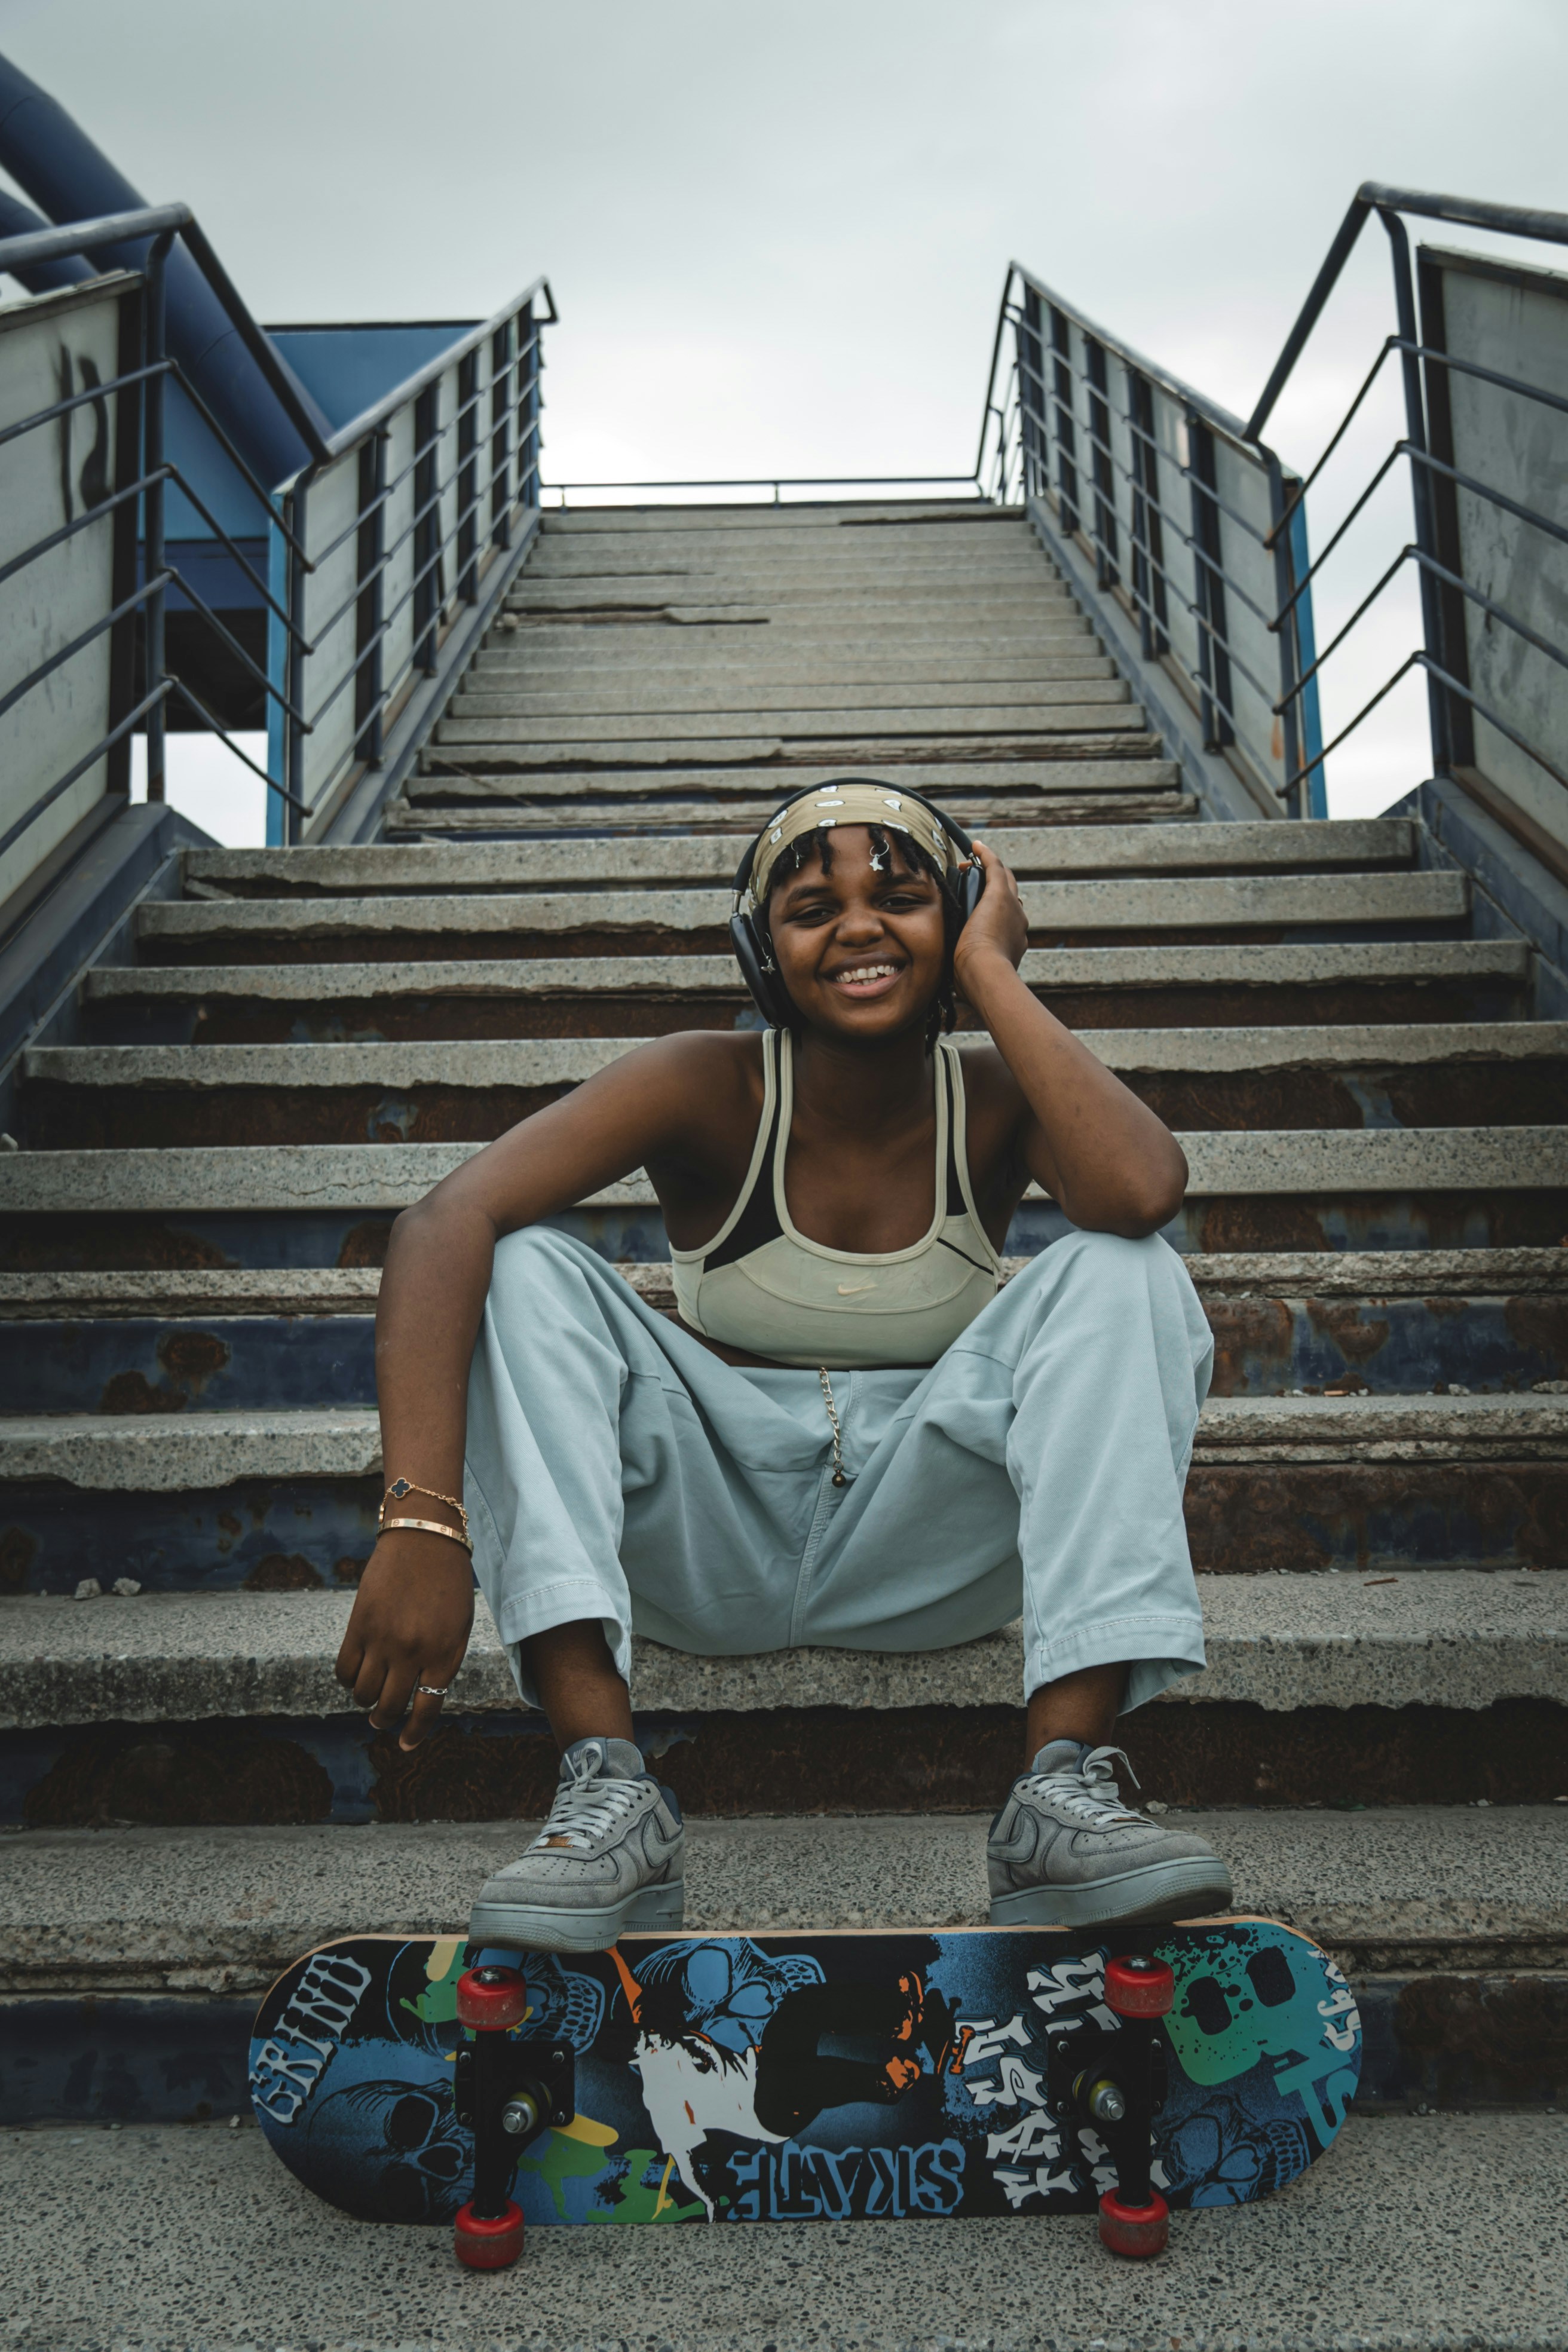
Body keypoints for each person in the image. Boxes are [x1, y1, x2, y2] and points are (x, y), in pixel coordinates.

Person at [335, 780, 1231, 1952]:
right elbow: (441, 1221)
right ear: (762, 950)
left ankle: (1061, 1793)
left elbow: (1144, 1190)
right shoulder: (703, 1083)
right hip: (703, 1541)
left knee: (1126, 1268)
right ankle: (607, 1791)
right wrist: (421, 1522)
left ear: (960, 915)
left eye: (901, 898)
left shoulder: (1000, 1096)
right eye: (812, 910)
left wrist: (994, 975)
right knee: (520, 1261)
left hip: (928, 1546)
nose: (858, 928)